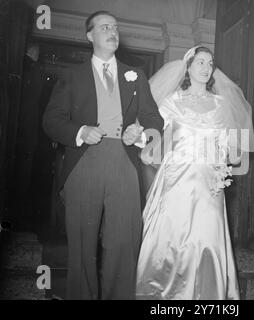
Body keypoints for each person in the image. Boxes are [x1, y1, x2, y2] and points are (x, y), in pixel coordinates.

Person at [42, 11, 163, 299]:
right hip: (84, 161)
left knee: (124, 242)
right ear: (90, 36)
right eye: (105, 26)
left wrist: (141, 133)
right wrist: (81, 130)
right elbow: (51, 120)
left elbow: (153, 119)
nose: (113, 31)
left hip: (124, 163)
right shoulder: (71, 76)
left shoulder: (136, 75)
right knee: (82, 246)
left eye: (116, 27)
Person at [136, 46, 254, 299]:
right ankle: (161, 297)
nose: (205, 67)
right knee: (171, 241)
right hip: (175, 182)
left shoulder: (221, 104)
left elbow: (231, 147)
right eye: (200, 62)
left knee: (207, 242)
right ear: (188, 67)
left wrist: (223, 165)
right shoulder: (172, 102)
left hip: (208, 185)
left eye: (209, 62)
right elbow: (150, 134)